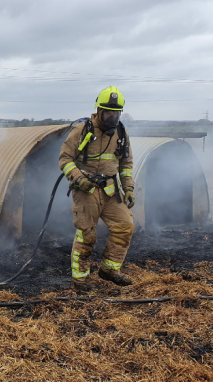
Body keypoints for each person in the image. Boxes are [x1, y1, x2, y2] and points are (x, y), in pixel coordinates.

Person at [58, 85, 135, 291]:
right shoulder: (82, 130)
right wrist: (78, 178)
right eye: (108, 112)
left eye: (116, 112)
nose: (112, 116)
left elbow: (125, 164)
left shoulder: (121, 132)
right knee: (87, 235)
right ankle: (80, 282)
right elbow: (65, 159)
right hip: (87, 190)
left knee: (125, 226)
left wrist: (128, 188)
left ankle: (109, 270)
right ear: (99, 110)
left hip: (111, 191)